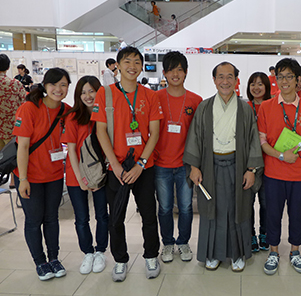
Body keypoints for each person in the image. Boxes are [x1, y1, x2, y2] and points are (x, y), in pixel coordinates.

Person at [183, 61, 264, 272]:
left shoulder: (245, 109)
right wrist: (194, 166)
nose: (225, 81)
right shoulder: (204, 107)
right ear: (214, 80)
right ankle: (212, 254)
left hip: (238, 166)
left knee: (238, 209)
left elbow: (254, 140)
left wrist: (251, 169)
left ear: (236, 81)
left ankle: (237, 254)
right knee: (213, 211)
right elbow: (195, 138)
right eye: (221, 77)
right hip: (210, 166)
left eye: (230, 77)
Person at [92, 46, 163, 282]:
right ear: (118, 65)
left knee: (149, 215)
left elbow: (154, 133)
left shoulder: (150, 95)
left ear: (142, 66)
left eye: (137, 62)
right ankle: (120, 260)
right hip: (117, 168)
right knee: (116, 217)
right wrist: (116, 165)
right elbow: (100, 131)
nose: (132, 66)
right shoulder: (105, 94)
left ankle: (151, 255)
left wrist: (141, 164)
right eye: (127, 62)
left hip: (143, 167)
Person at [257, 58, 301, 275]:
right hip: (274, 173)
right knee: (273, 214)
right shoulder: (266, 107)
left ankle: (295, 251)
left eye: (289, 77)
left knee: (296, 214)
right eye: (280, 76)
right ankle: (273, 252)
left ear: (298, 80)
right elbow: (262, 141)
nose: (284, 81)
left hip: (300, 174)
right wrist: (282, 156)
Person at [13, 68, 71, 281]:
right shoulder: (29, 108)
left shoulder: (66, 110)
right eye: (54, 84)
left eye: (63, 85)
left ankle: (54, 258)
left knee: (51, 218)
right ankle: (40, 261)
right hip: (30, 176)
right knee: (34, 219)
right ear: (45, 86)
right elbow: (23, 146)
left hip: (55, 175)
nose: (58, 89)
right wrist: (23, 179)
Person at [154, 51, 202, 264]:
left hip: (185, 164)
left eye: (180, 69)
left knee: (185, 207)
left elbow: (199, 136)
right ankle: (167, 243)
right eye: (171, 69)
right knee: (164, 207)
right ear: (164, 73)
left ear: (186, 73)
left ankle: (183, 242)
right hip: (160, 164)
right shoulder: (155, 98)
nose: (175, 74)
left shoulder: (195, 100)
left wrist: (196, 165)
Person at [61, 76, 109, 275]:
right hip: (76, 175)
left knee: (102, 215)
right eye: (83, 92)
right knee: (81, 218)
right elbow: (71, 150)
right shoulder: (73, 117)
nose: (88, 96)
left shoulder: (106, 114)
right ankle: (87, 252)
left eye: (92, 91)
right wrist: (81, 178)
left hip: (100, 174)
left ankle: (100, 252)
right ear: (78, 95)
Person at [246, 72, 272, 252]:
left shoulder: (272, 107)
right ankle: (250, 234)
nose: (256, 87)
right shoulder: (243, 107)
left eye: (260, 84)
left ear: (267, 87)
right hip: (247, 164)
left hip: (269, 163)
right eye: (253, 84)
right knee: (247, 203)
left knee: (266, 203)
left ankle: (264, 233)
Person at [0, 54, 25, 188]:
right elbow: (24, 104)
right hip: (11, 128)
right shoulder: (15, 84)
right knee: (13, 156)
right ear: (8, 67)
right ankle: (14, 182)